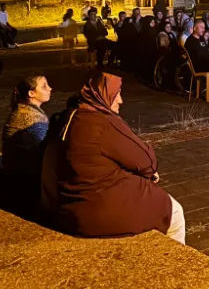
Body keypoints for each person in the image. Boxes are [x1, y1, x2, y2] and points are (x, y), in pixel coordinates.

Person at [41, 72, 185, 242]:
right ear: (104, 95)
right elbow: (146, 161)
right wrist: (149, 173)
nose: (121, 101)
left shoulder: (71, 116)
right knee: (175, 213)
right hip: (98, 211)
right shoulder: (102, 123)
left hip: (69, 208)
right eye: (117, 95)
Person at [3, 76, 52, 181]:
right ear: (31, 93)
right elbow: (45, 148)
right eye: (44, 87)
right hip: (22, 175)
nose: (50, 88)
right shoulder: (30, 117)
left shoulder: (24, 108)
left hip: (14, 167)